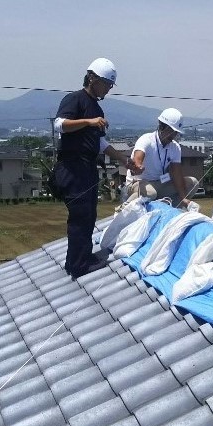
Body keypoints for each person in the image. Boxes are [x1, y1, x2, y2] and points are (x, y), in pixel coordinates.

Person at [53, 57, 133, 279]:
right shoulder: (75, 100)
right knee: (80, 216)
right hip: (71, 168)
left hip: (87, 168)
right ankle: (78, 265)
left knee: (89, 215)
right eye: (106, 83)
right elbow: (60, 124)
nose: (108, 88)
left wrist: (123, 160)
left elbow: (100, 144)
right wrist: (88, 122)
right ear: (92, 79)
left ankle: (81, 259)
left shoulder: (97, 109)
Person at [123, 108, 198, 206]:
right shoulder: (147, 139)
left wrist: (183, 197)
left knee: (193, 183)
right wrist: (138, 166)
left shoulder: (175, 147)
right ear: (161, 126)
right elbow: (138, 157)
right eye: (171, 131)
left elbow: (177, 174)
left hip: (159, 183)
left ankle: (169, 210)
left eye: (176, 132)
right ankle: (125, 209)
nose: (174, 135)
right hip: (139, 183)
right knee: (150, 193)